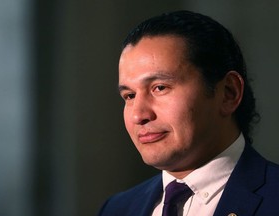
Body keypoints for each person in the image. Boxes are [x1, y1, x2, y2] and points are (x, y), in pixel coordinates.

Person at [98, 10, 279, 216]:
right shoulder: (116, 209)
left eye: (160, 88)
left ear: (229, 93)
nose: (138, 115)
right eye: (129, 96)